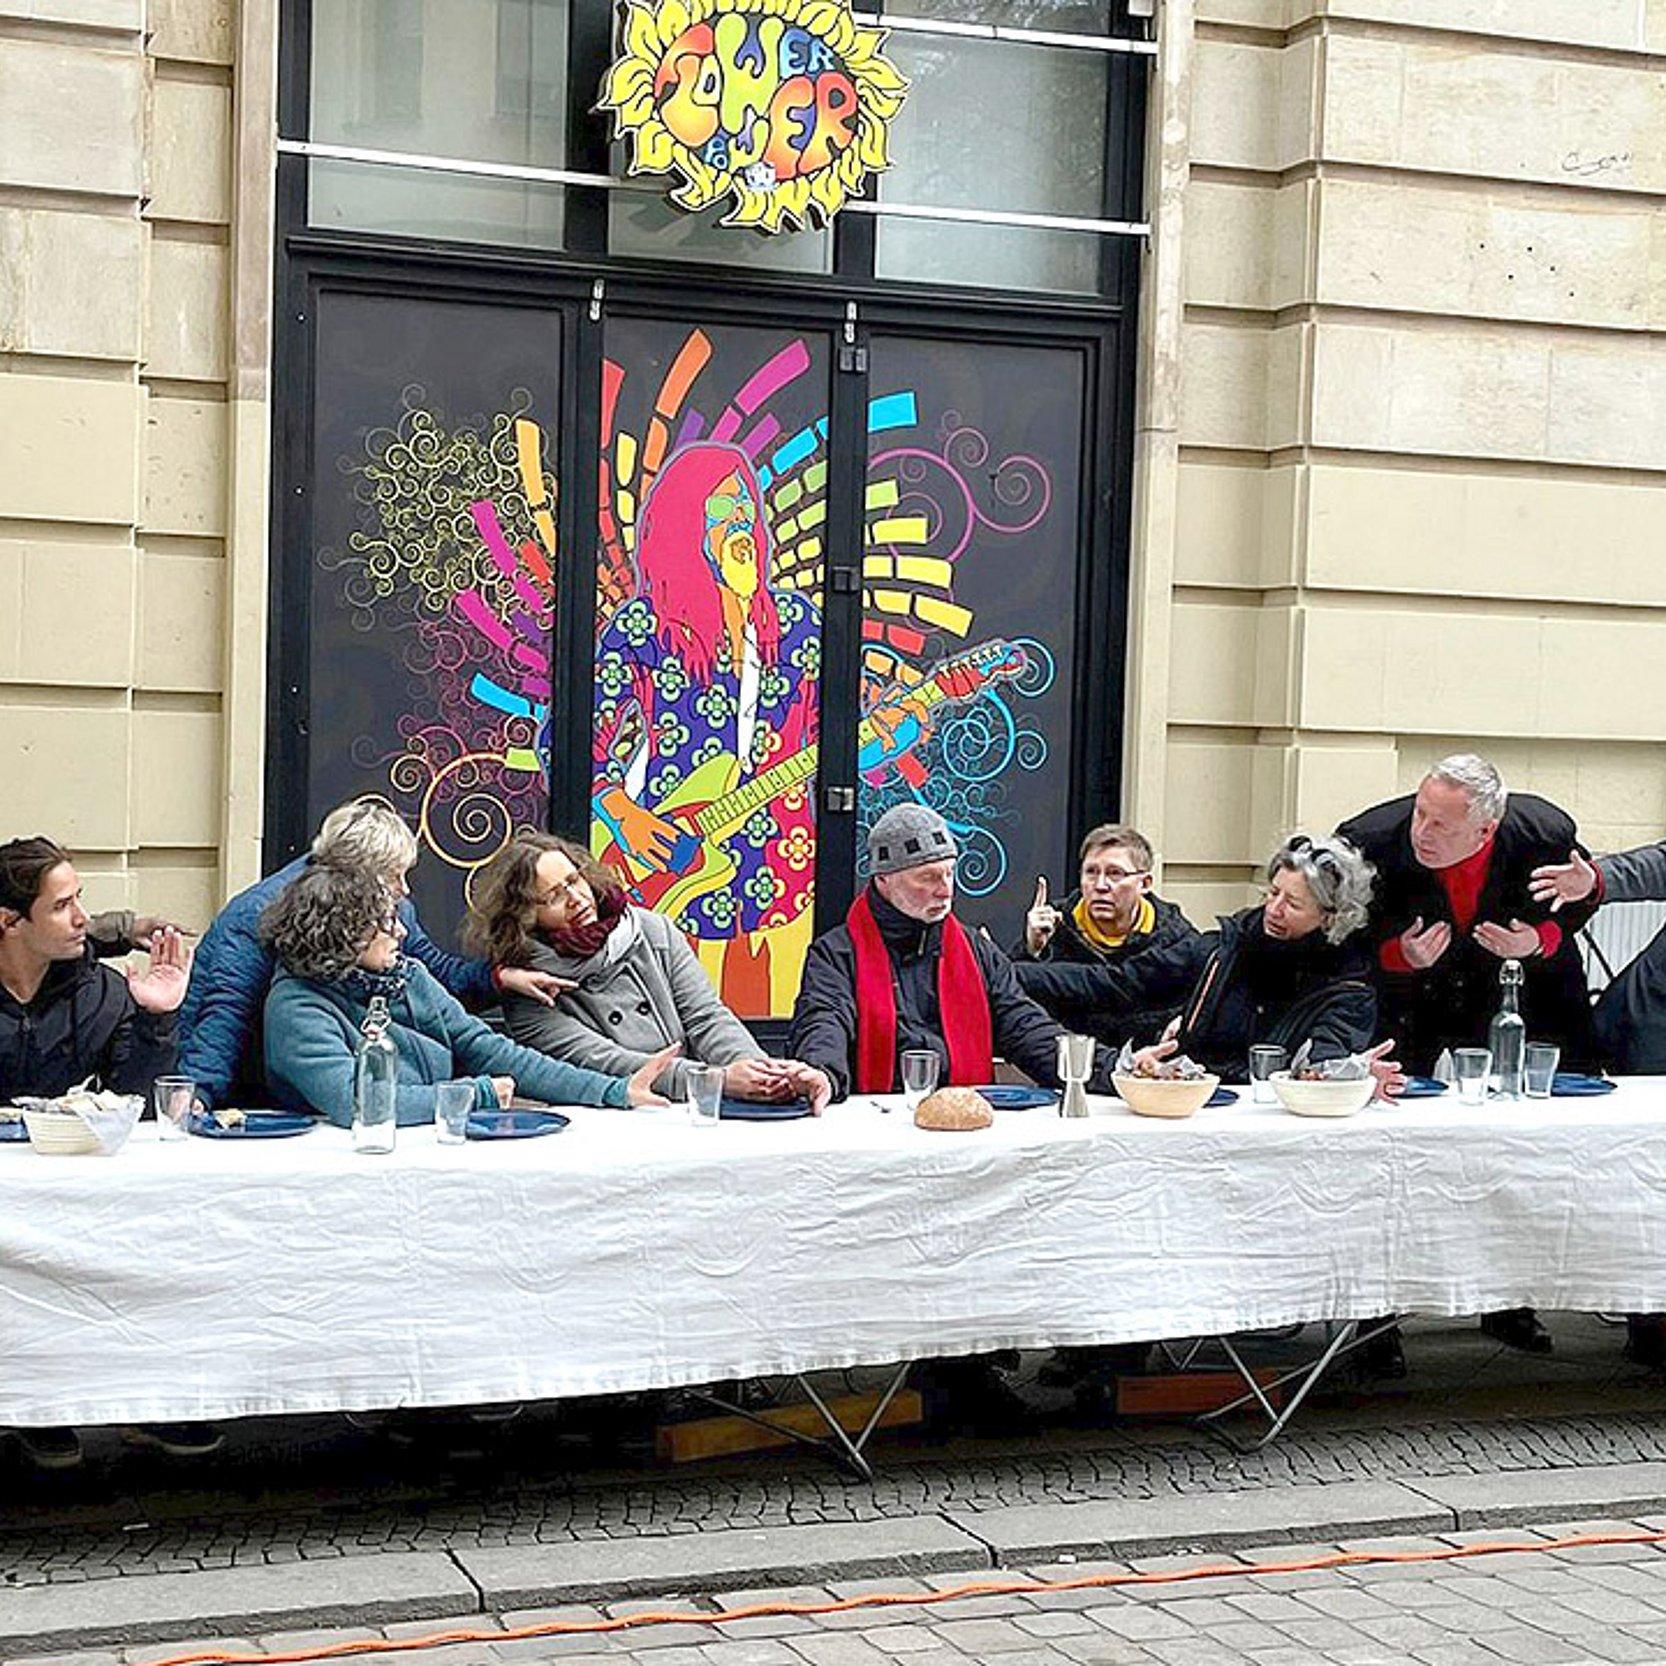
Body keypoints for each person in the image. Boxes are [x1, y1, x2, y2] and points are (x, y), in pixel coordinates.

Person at [1339, 753, 1597, 1356]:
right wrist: (1395, 955)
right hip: (1411, 1001)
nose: (1422, 832)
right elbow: (1336, 935)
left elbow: (1581, 897)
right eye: (1420, 812)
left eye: (1441, 825)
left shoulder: (1543, 832)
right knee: (1394, 1157)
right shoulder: (1369, 839)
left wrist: (1541, 939)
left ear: (1486, 829)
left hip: (1516, 994)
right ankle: (1375, 1319)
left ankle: (1508, 1300)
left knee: (1517, 1157)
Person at [0, 836, 217, 1470]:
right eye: (63, 905)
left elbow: (137, 1105)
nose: (81, 920)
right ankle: (29, 1404)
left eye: (80, 901)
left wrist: (155, 1018)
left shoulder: (96, 990)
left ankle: (134, 1394)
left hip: (66, 1180)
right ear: (10, 922)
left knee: (151, 1223)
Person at [180, 797, 570, 1109]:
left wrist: (496, 977)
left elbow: (433, 971)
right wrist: (197, 1095)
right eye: (395, 876)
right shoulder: (257, 919)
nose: (405, 890)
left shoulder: (387, 915)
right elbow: (224, 1016)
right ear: (355, 878)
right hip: (268, 1095)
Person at [260, 864, 670, 1126]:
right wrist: (478, 1094)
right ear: (344, 933)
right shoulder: (298, 1006)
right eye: (386, 922)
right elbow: (359, 1103)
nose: (401, 932)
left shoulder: (407, 976)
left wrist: (610, 1090)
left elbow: (490, 1049)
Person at [465, 832, 831, 1113]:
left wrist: (763, 1073)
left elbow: (706, 1018)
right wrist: (718, 1082)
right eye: (554, 897)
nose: (576, 899)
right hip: (610, 1122)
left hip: (689, 1110)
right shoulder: (529, 987)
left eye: (574, 881)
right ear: (525, 916)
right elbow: (605, 1063)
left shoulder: (652, 931)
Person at [1015, 834, 1390, 1085]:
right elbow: (1119, 983)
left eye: (1292, 903)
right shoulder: (1223, 947)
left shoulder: (1349, 987)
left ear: (1330, 916)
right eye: (1272, 893)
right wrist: (1006, 972)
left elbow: (1319, 1066)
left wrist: (1347, 1073)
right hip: (1193, 1107)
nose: (1273, 910)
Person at [788, 803, 1096, 1102]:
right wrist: (821, 1074)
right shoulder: (836, 955)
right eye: (928, 877)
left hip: (965, 1120)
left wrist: (1113, 1070)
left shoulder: (977, 951)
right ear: (883, 879)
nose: (946, 890)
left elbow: (1024, 1026)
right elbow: (823, 1022)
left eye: (949, 873)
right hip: (875, 1123)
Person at [1531, 840, 1666, 1368]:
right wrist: (1596, 882)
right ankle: (1648, 1318)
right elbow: (1655, 865)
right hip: (1652, 1028)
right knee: (1646, 1178)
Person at [1011, 823, 1198, 1045]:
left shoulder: (1175, 939)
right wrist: (1031, 949)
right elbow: (1012, 1002)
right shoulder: (1054, 928)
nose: (1100, 885)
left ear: (1145, 883)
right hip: (1065, 1067)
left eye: (1114, 874)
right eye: (1091, 872)